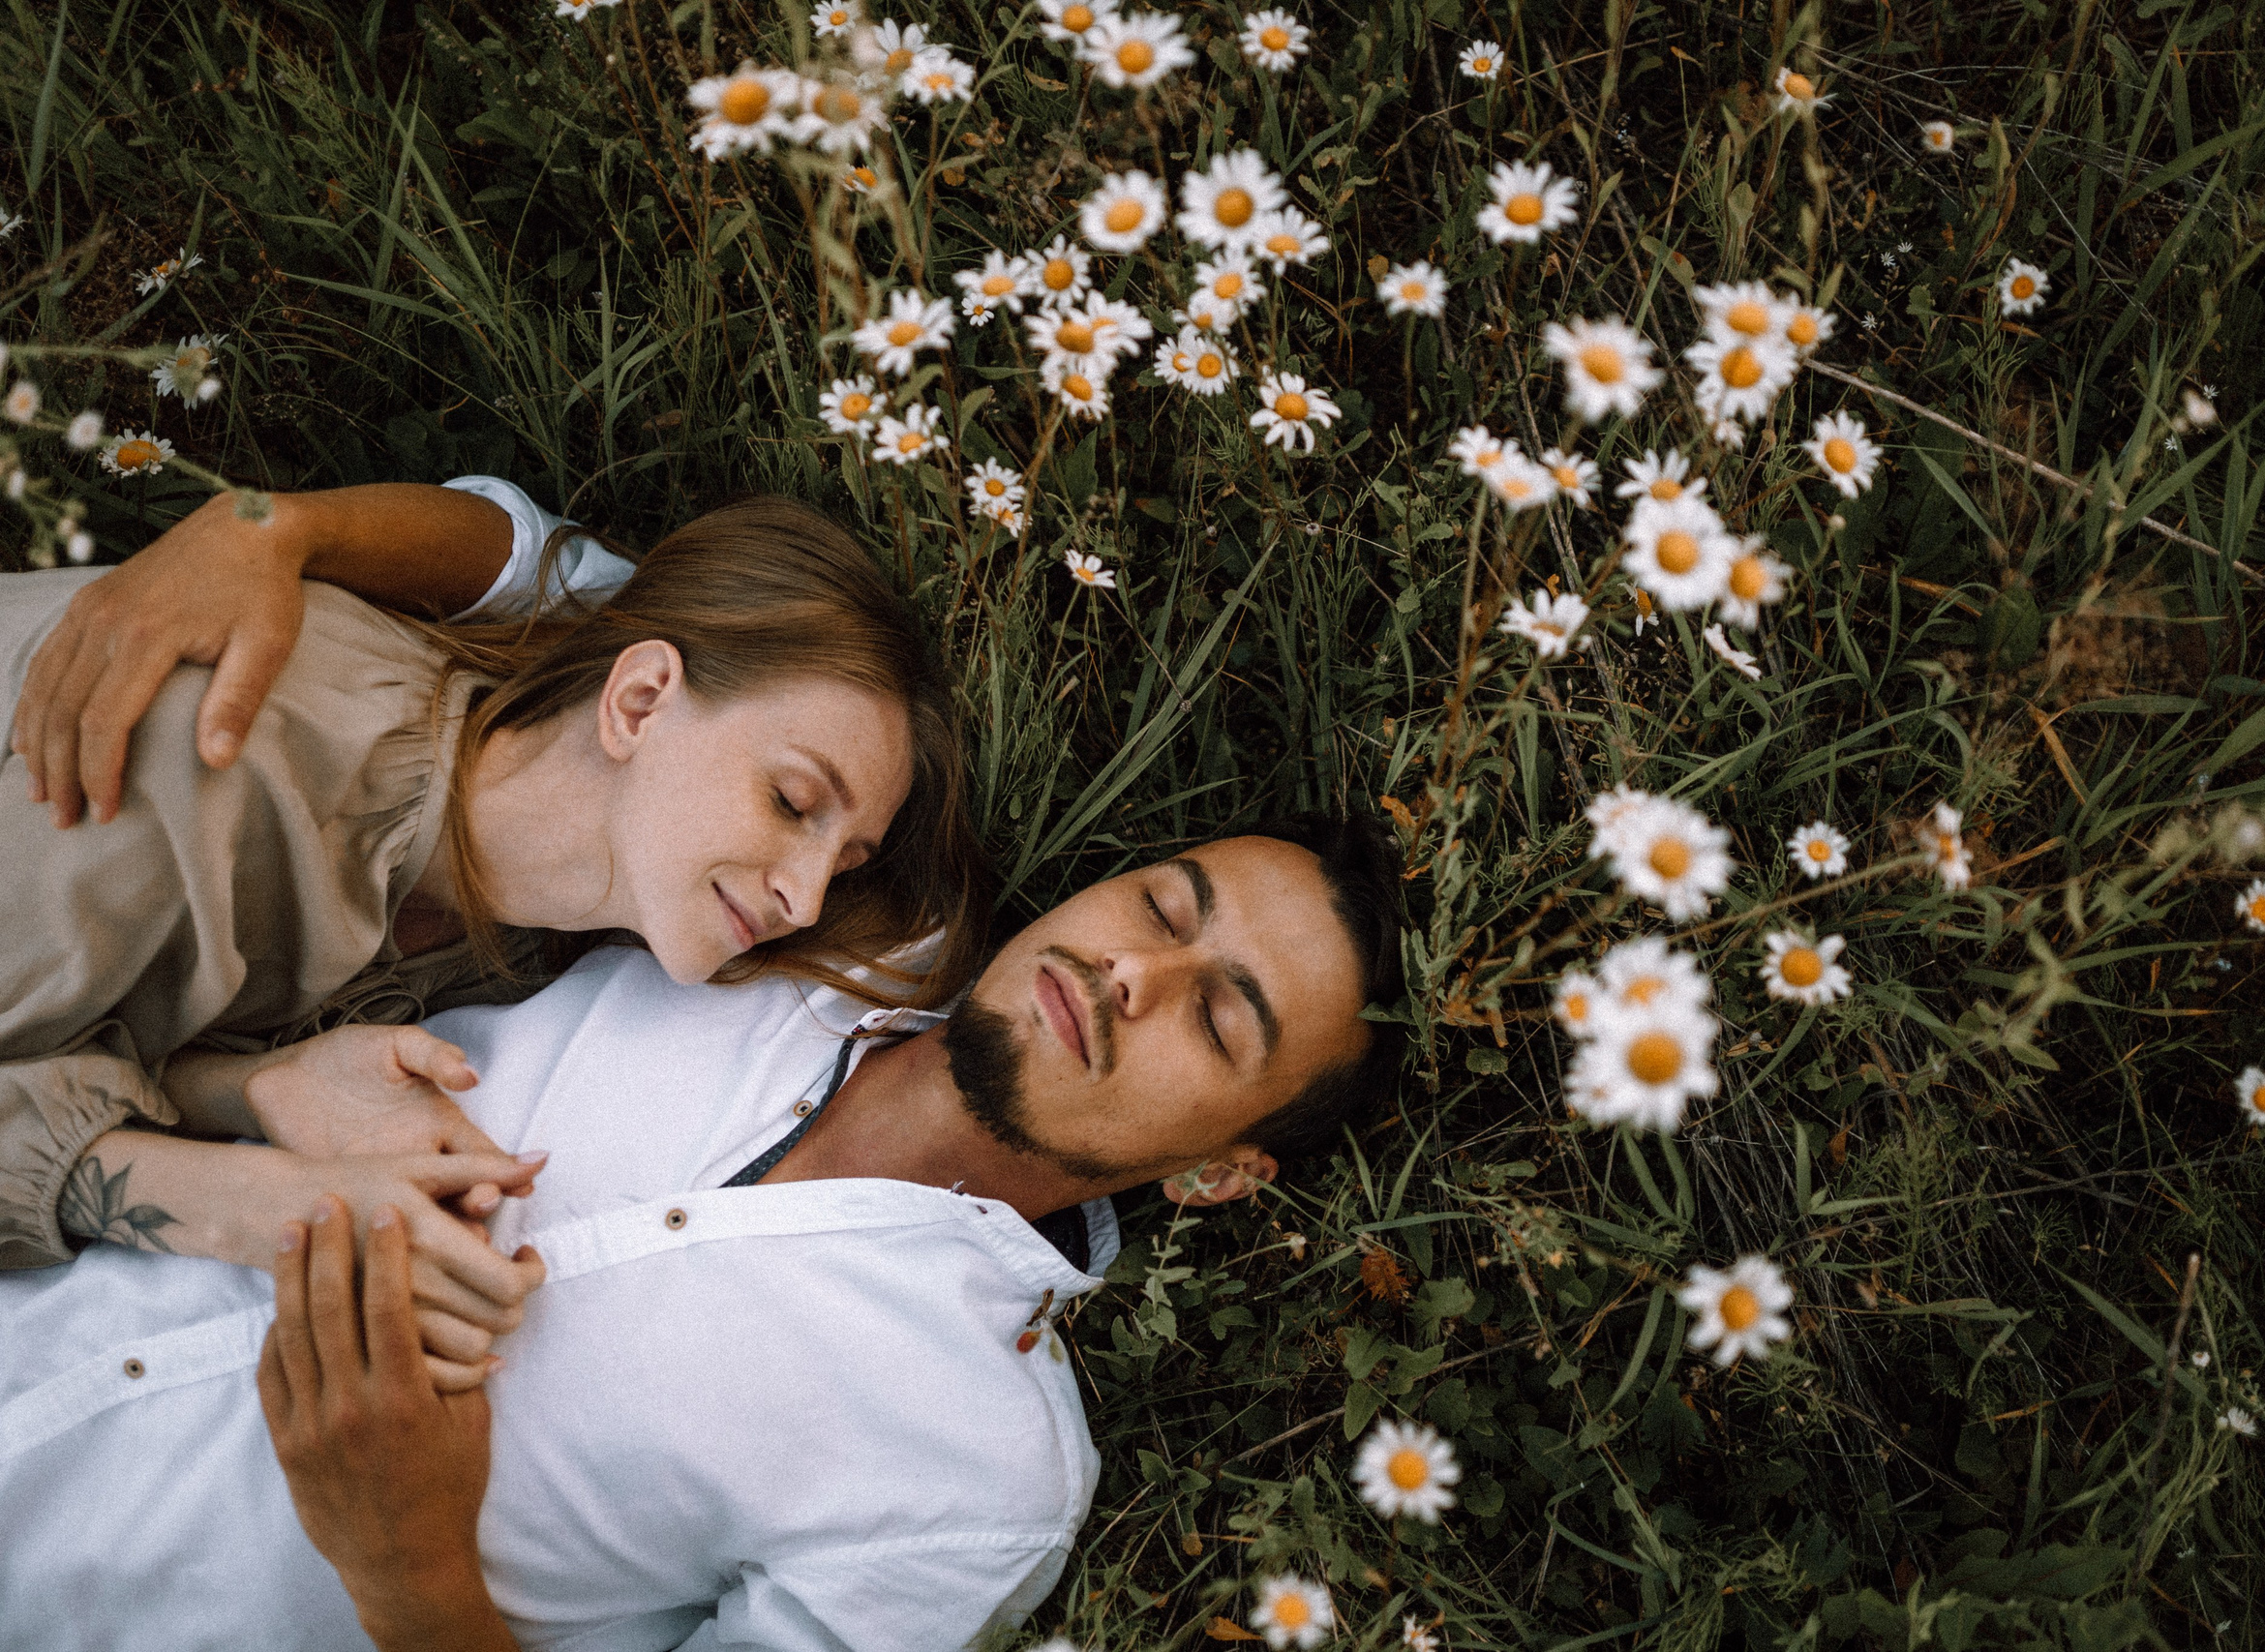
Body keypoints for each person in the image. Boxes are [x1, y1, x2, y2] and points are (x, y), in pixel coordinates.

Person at [0, 818, 1408, 1652]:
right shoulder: (773, 920)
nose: (1129, 971)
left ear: (1222, 1176)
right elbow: (588, 621)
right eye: (1162, 905)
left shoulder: (981, 1472)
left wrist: (410, 1558)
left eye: (1218, 1016)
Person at [0, 480, 985, 1390]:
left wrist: (250, 1088)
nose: (805, 901)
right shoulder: (214, 758)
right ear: (637, 702)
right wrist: (244, 1202)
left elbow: (546, 568)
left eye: (845, 863)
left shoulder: (518, 945)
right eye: (791, 800)